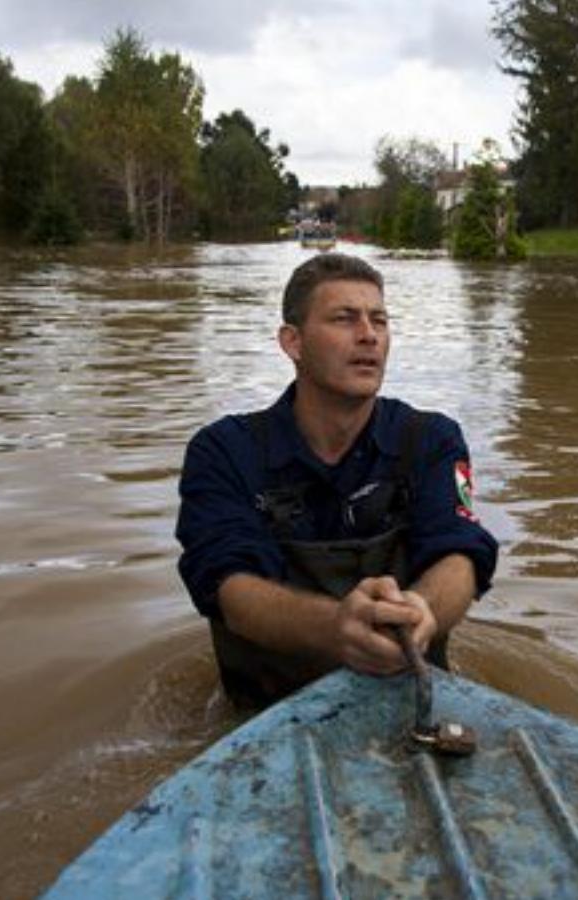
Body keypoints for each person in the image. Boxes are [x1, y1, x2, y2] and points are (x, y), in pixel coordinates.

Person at [175, 253, 499, 707]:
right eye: (345, 319)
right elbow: (226, 582)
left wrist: (421, 610)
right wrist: (336, 629)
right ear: (293, 342)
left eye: (379, 321)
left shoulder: (432, 440)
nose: (368, 335)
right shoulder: (223, 452)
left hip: (411, 699)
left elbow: (460, 550)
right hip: (264, 713)